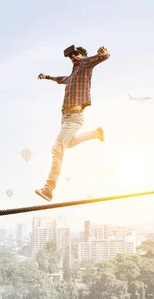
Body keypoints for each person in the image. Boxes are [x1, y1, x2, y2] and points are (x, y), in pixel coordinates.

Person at [35, 45, 110, 201]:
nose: (73, 58)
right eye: (71, 57)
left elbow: (100, 58)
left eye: (76, 55)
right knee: (68, 144)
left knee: (57, 149)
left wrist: (104, 54)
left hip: (74, 117)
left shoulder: (85, 65)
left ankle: (49, 188)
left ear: (82, 56)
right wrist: (47, 77)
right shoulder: (73, 74)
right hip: (66, 118)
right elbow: (61, 80)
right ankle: (97, 133)